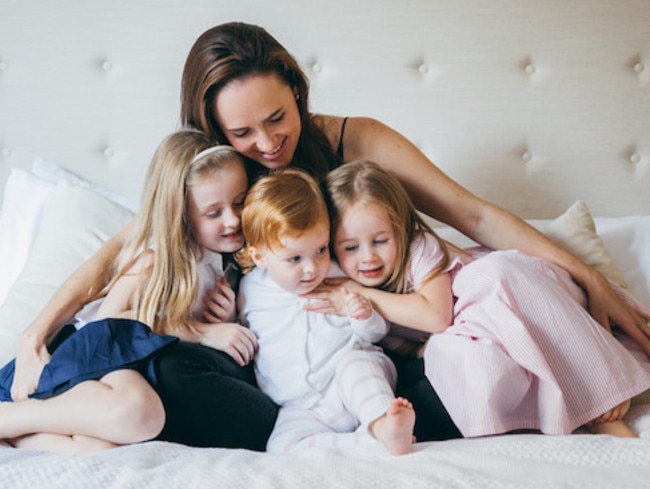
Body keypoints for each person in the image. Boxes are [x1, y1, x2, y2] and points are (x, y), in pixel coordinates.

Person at [11, 21, 648, 446]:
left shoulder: (354, 139)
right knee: (179, 379)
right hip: (278, 368)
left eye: (277, 118)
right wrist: (38, 333)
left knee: (489, 311)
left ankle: (574, 394)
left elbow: (473, 215)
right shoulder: (217, 178)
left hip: (395, 337)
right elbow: (120, 251)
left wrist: (592, 279)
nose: (265, 145)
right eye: (241, 134)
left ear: (298, 89)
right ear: (214, 132)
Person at [312, 160, 650, 438]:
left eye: (380, 240)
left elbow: (435, 316)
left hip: (520, 297)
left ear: (401, 229)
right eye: (351, 247)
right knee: (458, 355)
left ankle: (599, 396)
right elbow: (408, 343)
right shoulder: (346, 284)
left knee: (495, 273)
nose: (368, 257)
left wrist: (364, 295)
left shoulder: (419, 249)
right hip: (476, 334)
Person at [0, 129, 277, 453]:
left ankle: (24, 437)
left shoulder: (223, 263)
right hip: (94, 358)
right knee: (140, 414)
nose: (232, 220)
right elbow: (108, 323)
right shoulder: (154, 261)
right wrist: (203, 332)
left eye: (240, 203)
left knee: (102, 446)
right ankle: (13, 416)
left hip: (137, 370)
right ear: (182, 215)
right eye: (213, 213)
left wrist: (224, 319)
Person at [236, 168, 415, 455]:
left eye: (320, 250)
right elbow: (243, 331)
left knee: (357, 365)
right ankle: (369, 442)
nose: (312, 268)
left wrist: (363, 315)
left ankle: (384, 423)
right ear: (259, 257)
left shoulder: (338, 275)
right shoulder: (250, 291)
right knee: (281, 446)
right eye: (295, 258)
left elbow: (377, 334)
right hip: (301, 404)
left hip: (350, 382)